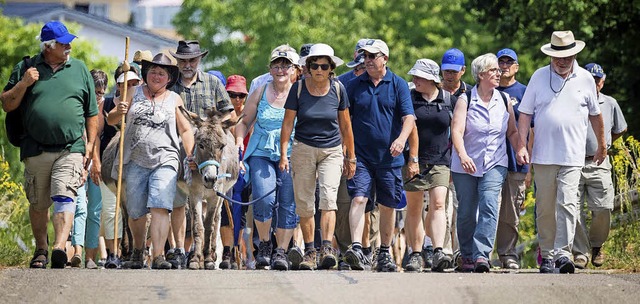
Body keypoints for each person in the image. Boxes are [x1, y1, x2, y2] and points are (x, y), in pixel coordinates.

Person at [1, 21, 98, 269]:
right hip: (36, 148)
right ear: (48, 46)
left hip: (70, 148)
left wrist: (89, 145)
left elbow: (92, 113)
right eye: (63, 43)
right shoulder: (26, 67)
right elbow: (7, 104)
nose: (69, 46)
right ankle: (41, 249)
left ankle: (58, 247)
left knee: (65, 196)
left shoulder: (79, 69)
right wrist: (23, 84)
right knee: (38, 203)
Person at [517, 30, 606, 274]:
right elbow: (525, 113)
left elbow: (596, 115)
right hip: (544, 156)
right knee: (545, 208)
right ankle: (546, 255)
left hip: (572, 155)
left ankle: (563, 254)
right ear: (550, 56)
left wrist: (602, 144)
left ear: (575, 54)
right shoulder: (538, 77)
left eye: (567, 56)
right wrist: (522, 145)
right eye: (557, 56)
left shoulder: (586, 78)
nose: (562, 60)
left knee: (568, 204)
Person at [106, 53, 195, 269]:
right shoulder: (133, 92)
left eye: (162, 73)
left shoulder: (174, 99)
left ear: (169, 77)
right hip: (134, 159)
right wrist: (119, 110)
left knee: (160, 206)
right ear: (146, 74)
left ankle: (158, 256)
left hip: (166, 158)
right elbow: (111, 120)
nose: (156, 75)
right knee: (136, 211)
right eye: (153, 71)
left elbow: (185, 129)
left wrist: (190, 155)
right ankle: (138, 250)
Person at [280, 43, 356, 270]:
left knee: (328, 198)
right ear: (308, 67)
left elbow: (346, 125)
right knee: (304, 203)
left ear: (331, 68)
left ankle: (326, 249)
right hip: (303, 148)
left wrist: (350, 157)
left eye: (324, 65)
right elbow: (287, 124)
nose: (319, 69)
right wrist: (284, 153)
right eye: (315, 65)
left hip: (332, 150)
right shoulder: (299, 88)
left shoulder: (338, 89)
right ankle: (310, 251)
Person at [342, 39, 415, 272]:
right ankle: (356, 248)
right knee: (359, 198)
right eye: (366, 56)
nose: (369, 60)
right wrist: (347, 150)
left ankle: (384, 252)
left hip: (389, 158)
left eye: (373, 56)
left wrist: (402, 140)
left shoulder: (399, 84)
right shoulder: (355, 84)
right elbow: (343, 119)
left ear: (385, 58)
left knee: (387, 204)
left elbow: (409, 118)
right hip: (361, 156)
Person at [451, 53, 527, 273]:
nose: (498, 72)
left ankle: (481, 255)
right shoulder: (466, 99)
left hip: (495, 162)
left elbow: (512, 131)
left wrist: (520, 148)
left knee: (490, 206)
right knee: (466, 211)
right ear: (482, 74)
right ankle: (466, 255)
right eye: (494, 70)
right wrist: (463, 156)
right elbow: (456, 131)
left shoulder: (504, 100)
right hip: (466, 164)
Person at [167, 40, 234, 269]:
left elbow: (228, 115)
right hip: (177, 143)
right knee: (179, 202)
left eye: (192, 60)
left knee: (213, 203)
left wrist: (210, 127)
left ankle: (208, 252)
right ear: (177, 61)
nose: (187, 65)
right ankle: (179, 250)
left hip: (208, 144)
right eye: (183, 60)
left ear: (199, 60)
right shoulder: (171, 84)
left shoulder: (213, 82)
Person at [234, 45, 299, 270]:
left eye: (285, 65)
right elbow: (243, 122)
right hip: (261, 151)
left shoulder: (300, 92)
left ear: (293, 69)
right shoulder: (260, 91)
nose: (281, 69)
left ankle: (281, 250)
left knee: (288, 203)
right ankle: (264, 245)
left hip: (291, 154)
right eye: (276, 65)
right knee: (263, 198)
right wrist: (237, 148)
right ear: (270, 69)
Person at [403, 59, 456, 272]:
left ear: (432, 79)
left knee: (438, 204)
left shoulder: (449, 100)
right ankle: (415, 253)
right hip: (413, 160)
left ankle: (437, 250)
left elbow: (457, 131)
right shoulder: (409, 98)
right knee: (414, 208)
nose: (414, 80)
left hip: (441, 160)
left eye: (419, 77)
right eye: (414, 76)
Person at [572, 63, 627, 269]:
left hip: (599, 162)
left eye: (598, 80)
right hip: (574, 161)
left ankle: (596, 245)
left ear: (602, 81)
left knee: (603, 207)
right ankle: (580, 253)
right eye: (591, 79)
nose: (594, 83)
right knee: (573, 209)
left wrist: (603, 144)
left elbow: (620, 129)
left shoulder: (610, 103)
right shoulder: (574, 99)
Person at [494, 48, 531, 270]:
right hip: (489, 161)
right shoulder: (487, 90)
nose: (505, 65)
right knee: (488, 207)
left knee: (511, 210)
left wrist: (530, 166)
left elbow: (532, 130)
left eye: (509, 62)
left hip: (517, 160)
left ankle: (507, 254)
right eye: (501, 61)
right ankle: (479, 254)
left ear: (516, 67)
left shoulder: (525, 92)